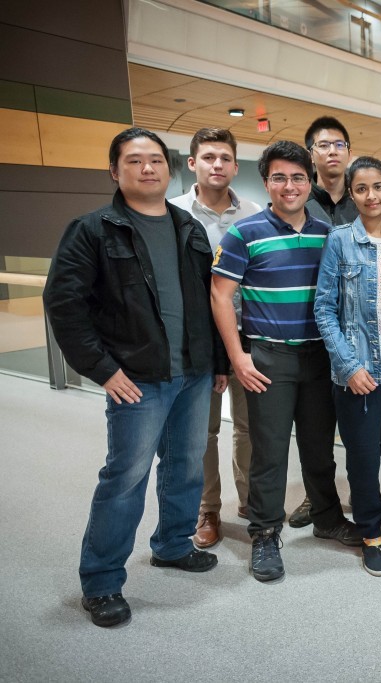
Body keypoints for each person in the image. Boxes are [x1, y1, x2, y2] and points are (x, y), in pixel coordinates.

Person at [44, 127, 224, 627]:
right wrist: (103, 370)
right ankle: (101, 581)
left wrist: (219, 364)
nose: (148, 169)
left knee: (186, 465)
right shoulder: (93, 229)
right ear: (114, 171)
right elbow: (63, 305)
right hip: (136, 378)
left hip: (192, 371)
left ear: (170, 171)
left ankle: (171, 544)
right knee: (126, 477)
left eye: (156, 161)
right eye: (135, 161)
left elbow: (208, 302)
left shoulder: (187, 226)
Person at [211, 141, 360, 584]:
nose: (289, 185)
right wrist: (237, 356)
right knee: (270, 452)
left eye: (298, 177)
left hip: (319, 356)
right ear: (266, 183)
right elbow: (220, 295)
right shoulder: (244, 233)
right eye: (279, 177)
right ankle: (264, 534)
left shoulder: (327, 235)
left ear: (309, 182)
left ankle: (328, 517)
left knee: (319, 447)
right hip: (268, 357)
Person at [314, 157, 381, 577]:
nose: (371, 196)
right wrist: (347, 364)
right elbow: (324, 309)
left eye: (378, 187)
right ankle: (371, 532)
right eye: (361, 189)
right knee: (362, 457)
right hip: (359, 374)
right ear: (353, 193)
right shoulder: (339, 241)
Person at [169, 127, 262, 548]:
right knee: (202, 432)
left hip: (248, 337)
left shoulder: (255, 213)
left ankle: (248, 499)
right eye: (208, 157)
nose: (217, 165)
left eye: (225, 157)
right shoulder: (172, 213)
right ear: (193, 164)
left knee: (248, 426)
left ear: (234, 164)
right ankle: (209, 508)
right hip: (197, 341)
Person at [288, 115, 359, 528]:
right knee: (314, 433)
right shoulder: (298, 198)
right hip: (310, 336)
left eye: (339, 144)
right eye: (323, 145)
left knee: (358, 431)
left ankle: (363, 496)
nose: (332, 152)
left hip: (358, 336)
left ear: (348, 152)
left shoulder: (364, 197)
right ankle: (319, 499)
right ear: (311, 153)